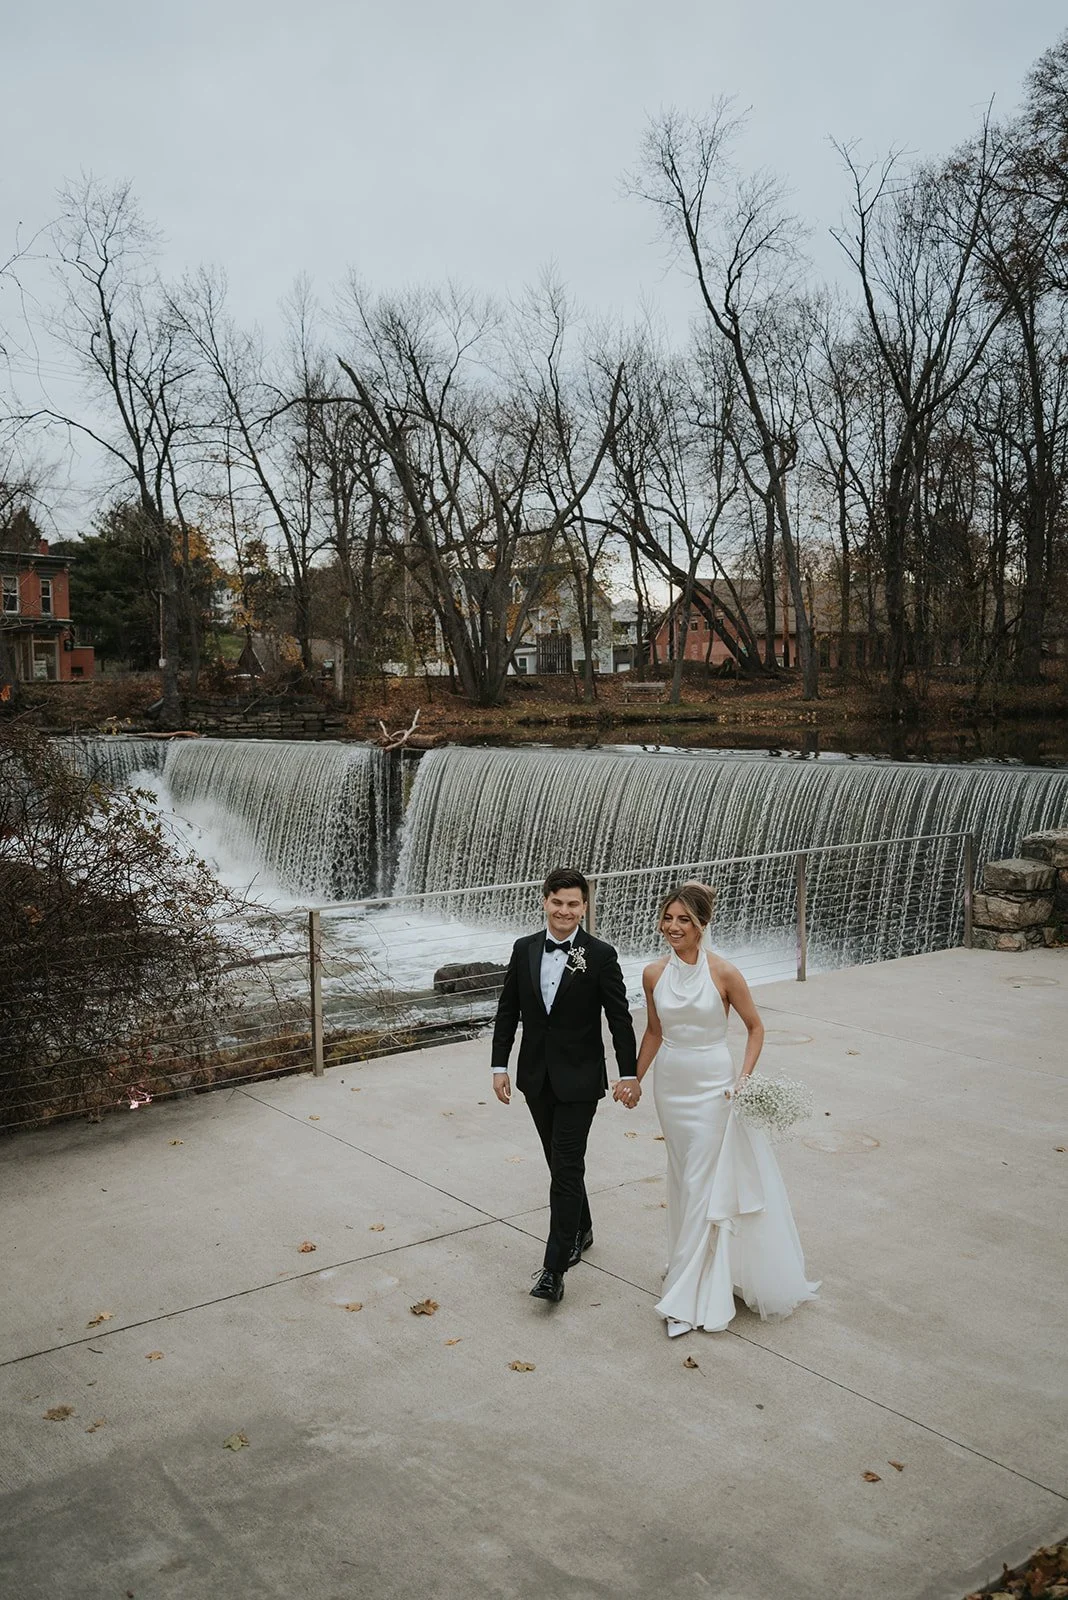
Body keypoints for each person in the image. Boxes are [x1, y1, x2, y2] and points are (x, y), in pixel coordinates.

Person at [617, 882, 818, 1337]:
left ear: (702, 925)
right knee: (684, 1177)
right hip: (672, 1083)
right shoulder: (653, 974)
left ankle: (687, 1295)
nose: (672, 927)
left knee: (702, 1181)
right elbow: (652, 1031)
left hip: (713, 1087)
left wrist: (742, 1081)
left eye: (684, 919)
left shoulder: (724, 973)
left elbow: (755, 1027)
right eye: (667, 918)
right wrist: (633, 1078)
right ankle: (691, 1265)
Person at [492, 867, 639, 1303]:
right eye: (558, 902)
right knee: (559, 1162)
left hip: (580, 1080)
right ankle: (583, 1228)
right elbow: (507, 1012)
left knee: (567, 1166)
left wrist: (628, 1073)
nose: (565, 911)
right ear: (545, 902)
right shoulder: (524, 950)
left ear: (585, 907)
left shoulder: (601, 955)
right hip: (535, 1077)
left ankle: (553, 1270)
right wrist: (498, 1066)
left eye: (574, 904)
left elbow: (619, 1018)